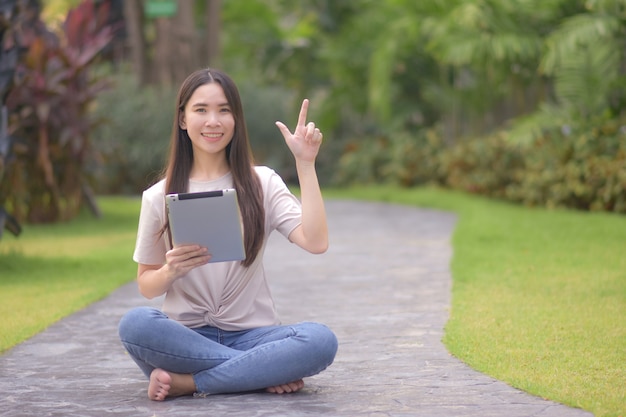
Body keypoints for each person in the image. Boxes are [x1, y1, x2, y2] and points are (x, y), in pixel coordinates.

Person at [118, 68, 338, 401]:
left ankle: (189, 383)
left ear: (236, 119)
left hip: (255, 335)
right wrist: (170, 271)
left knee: (320, 341)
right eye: (201, 110)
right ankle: (257, 373)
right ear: (182, 119)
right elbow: (147, 285)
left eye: (224, 110)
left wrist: (305, 165)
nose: (213, 121)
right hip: (186, 337)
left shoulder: (262, 183)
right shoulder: (157, 196)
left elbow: (316, 242)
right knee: (135, 324)